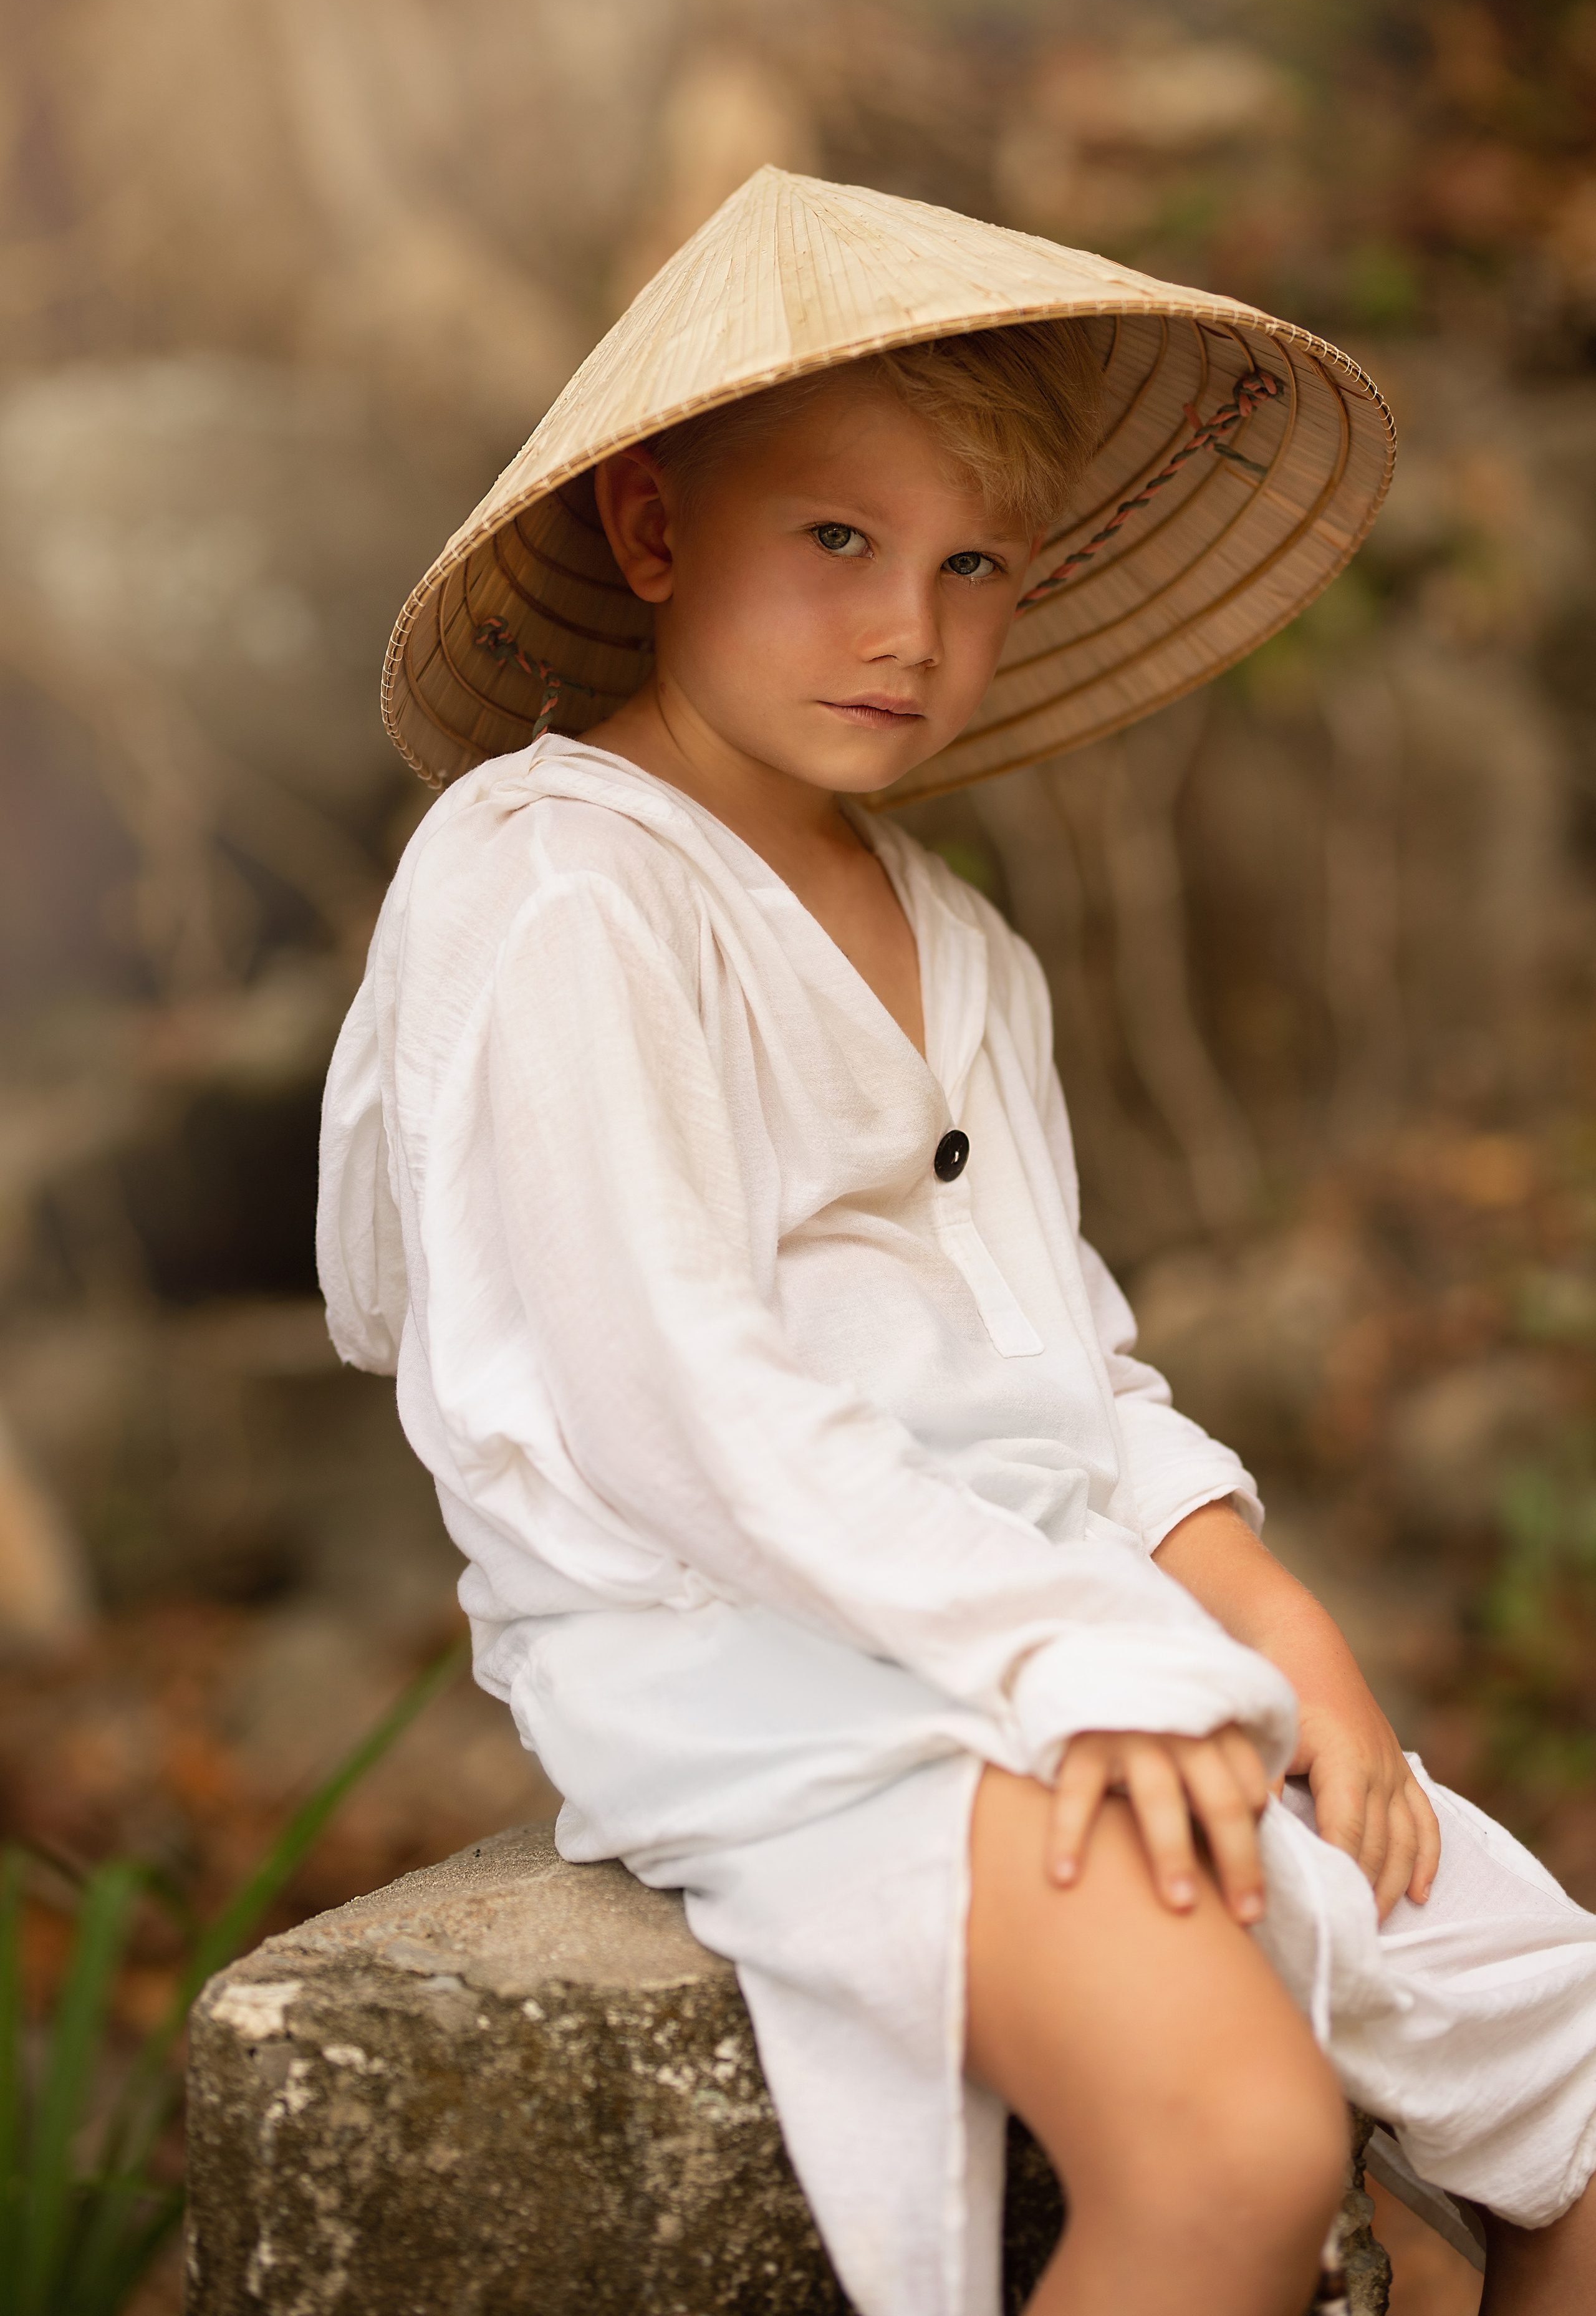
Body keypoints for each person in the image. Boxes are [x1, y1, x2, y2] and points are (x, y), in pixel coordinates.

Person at [318, 170, 1596, 2316]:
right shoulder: (554, 884)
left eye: (974, 566)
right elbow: (669, 1396)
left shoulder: (964, 947)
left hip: (1051, 1604)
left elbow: (1066, 1365)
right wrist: (1078, 1661)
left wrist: (1271, 1622)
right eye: (838, 541)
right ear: (653, 534)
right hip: (743, 1632)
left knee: (1570, 2069)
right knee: (1241, 2142)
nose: (912, 627)